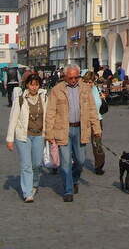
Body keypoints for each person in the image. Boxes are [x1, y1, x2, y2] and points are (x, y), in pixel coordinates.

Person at [44, 64, 101, 202]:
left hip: (80, 129)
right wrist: (49, 133)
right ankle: (68, 190)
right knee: (65, 162)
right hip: (63, 130)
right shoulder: (57, 90)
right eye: (71, 78)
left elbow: (92, 110)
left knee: (81, 160)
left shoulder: (85, 89)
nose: (74, 80)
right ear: (65, 76)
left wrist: (97, 129)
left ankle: (74, 179)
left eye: (77, 77)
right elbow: (50, 112)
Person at [6, 74, 47, 202]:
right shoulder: (20, 99)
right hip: (23, 136)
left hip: (39, 135)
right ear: (27, 85)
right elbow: (13, 119)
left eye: (36, 84)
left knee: (37, 164)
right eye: (31, 84)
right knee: (26, 165)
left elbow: (49, 116)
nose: (34, 87)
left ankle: (34, 183)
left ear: (39, 85)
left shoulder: (44, 97)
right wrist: (10, 139)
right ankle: (27, 193)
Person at [82, 72, 106, 175]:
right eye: (86, 82)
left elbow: (101, 103)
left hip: (97, 119)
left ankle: (99, 165)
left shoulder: (97, 89)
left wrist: (103, 98)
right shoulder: (80, 91)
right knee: (80, 143)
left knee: (97, 143)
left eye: (90, 82)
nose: (89, 84)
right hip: (83, 120)